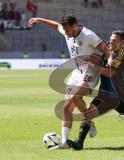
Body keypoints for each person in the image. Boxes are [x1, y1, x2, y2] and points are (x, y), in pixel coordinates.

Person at [28, 15, 111, 149]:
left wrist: (112, 63)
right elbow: (56, 26)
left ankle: (87, 121)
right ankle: (65, 142)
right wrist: (40, 20)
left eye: (67, 30)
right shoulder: (66, 30)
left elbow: (106, 51)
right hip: (76, 71)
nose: (65, 33)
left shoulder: (88, 35)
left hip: (90, 70)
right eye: (64, 30)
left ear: (74, 26)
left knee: (74, 96)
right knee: (66, 107)